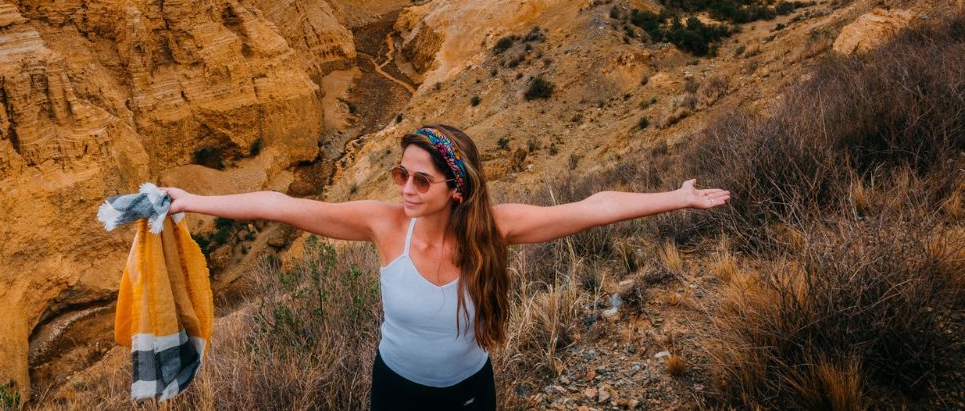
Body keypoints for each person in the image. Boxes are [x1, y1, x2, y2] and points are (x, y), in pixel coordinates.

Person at [162, 124, 730, 410]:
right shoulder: (384, 224)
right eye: (400, 174)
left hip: (469, 392)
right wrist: (191, 200)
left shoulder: (496, 228)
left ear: (455, 188)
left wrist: (677, 198)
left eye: (421, 179)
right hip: (394, 390)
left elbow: (594, 207)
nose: (405, 188)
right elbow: (281, 206)